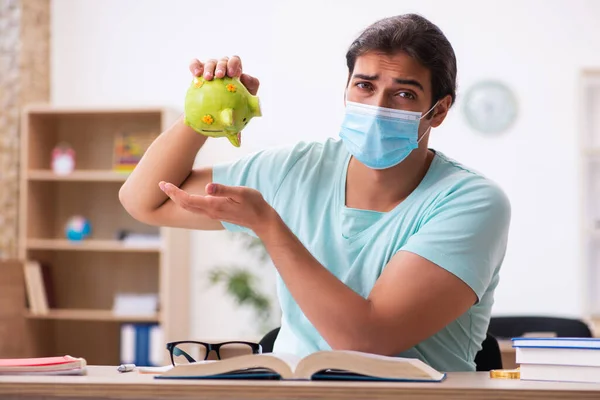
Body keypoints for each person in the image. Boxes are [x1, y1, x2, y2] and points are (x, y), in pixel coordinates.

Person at [119, 13, 511, 372]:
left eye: (403, 94)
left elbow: (367, 340)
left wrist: (270, 228)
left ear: (438, 111)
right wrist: (203, 113)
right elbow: (145, 200)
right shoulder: (298, 169)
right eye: (364, 86)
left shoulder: (471, 202)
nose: (376, 106)